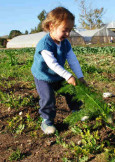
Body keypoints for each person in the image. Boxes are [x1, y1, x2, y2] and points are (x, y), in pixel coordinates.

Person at [31, 7, 87, 135]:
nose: (68, 34)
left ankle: (77, 111)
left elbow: (72, 60)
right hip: (43, 76)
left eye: (70, 30)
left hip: (57, 75)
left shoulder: (65, 43)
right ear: (51, 26)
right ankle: (47, 120)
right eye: (64, 30)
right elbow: (52, 64)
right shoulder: (45, 44)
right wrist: (68, 76)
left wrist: (80, 77)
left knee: (71, 91)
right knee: (48, 97)